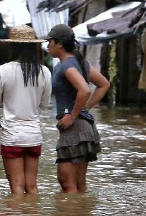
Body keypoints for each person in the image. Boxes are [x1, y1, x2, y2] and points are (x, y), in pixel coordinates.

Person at [0, 25, 52, 195]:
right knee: (32, 187)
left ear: (12, 46)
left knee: (16, 188)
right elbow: (44, 105)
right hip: (34, 135)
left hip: (12, 135)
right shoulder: (44, 71)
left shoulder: (3, 71)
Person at [46, 24, 110, 193]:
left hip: (75, 129)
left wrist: (74, 115)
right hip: (85, 128)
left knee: (67, 184)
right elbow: (104, 84)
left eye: (50, 41)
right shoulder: (80, 62)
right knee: (79, 186)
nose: (47, 45)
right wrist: (83, 110)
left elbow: (85, 90)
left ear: (59, 44)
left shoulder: (67, 65)